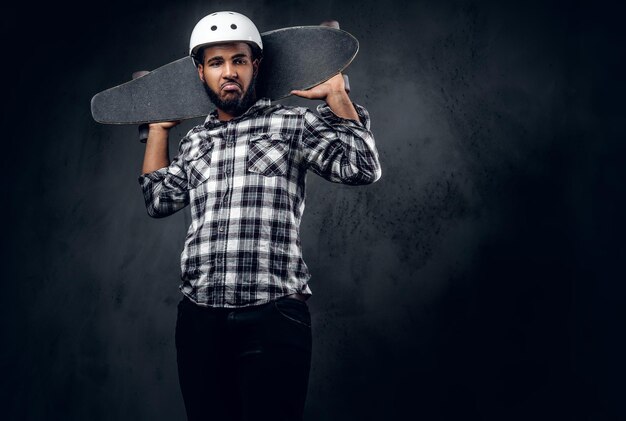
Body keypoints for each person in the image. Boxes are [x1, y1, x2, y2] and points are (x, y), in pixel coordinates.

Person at [138, 11, 381, 421]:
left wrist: (336, 95)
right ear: (201, 72)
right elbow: (158, 199)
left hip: (272, 314)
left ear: (256, 65)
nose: (228, 72)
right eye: (216, 63)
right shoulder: (196, 141)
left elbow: (361, 168)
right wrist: (160, 130)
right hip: (200, 318)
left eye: (239, 60)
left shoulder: (292, 123)